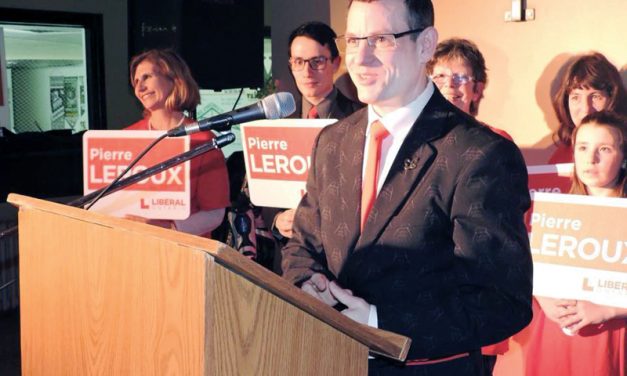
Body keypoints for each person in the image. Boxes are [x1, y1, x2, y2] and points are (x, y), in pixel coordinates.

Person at [281, 1, 533, 375]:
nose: (360, 59)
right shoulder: (332, 142)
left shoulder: (479, 153)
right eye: (353, 40)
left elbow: (501, 301)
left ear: (426, 44)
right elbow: (303, 245)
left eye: (381, 39)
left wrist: (378, 322)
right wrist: (307, 283)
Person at [427, 37, 512, 374]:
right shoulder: (410, 142)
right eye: (441, 77)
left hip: (472, 306)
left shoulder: (497, 145)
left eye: (461, 78)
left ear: (477, 89)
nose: (451, 86)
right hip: (420, 306)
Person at [526, 110, 627, 376]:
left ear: (624, 156)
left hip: (611, 339)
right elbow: (532, 271)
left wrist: (607, 310)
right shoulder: (556, 212)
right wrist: (542, 296)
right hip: (554, 335)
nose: (590, 159)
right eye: (583, 147)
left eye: (603, 149)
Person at [265, 21, 364, 270]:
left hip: (347, 260)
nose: (307, 72)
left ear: (336, 63)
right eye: (299, 62)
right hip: (292, 260)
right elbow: (263, 191)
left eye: (317, 61)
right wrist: (277, 220)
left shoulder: (362, 119)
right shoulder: (277, 123)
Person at [125, 49, 229, 238]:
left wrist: (169, 230)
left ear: (173, 78)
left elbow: (215, 214)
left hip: (184, 252)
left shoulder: (203, 140)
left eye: (146, 77)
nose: (139, 88)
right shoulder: (125, 137)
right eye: (136, 81)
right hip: (133, 247)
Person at [548, 52, 627, 164]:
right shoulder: (560, 158)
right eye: (576, 97)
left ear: (613, 98)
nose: (586, 108)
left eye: (595, 96)